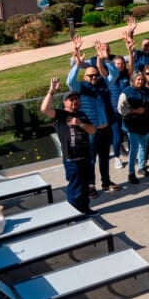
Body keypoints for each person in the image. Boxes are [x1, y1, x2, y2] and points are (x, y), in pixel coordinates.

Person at [66, 39, 120, 195]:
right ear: (85, 78)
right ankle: (90, 185)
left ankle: (106, 182)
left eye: (95, 75)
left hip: (105, 128)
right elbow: (70, 81)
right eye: (90, 76)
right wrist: (77, 63)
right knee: (91, 160)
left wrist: (105, 59)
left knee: (104, 157)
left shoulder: (103, 83)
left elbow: (114, 74)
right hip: (91, 131)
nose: (94, 78)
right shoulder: (81, 87)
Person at [40, 78, 97, 214]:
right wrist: (51, 91)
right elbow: (44, 109)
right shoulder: (60, 115)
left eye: (77, 99)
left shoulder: (81, 115)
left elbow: (93, 130)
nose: (75, 101)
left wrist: (80, 124)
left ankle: (85, 208)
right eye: (71, 99)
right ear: (65, 102)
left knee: (84, 186)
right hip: (72, 159)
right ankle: (73, 214)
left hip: (85, 156)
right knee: (75, 187)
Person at [117, 70, 149, 184]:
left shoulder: (147, 91)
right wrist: (135, 111)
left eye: (142, 79)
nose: (141, 81)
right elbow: (120, 109)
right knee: (133, 149)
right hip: (131, 125)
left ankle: (142, 167)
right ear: (133, 80)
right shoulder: (126, 92)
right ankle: (131, 173)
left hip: (145, 124)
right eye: (138, 79)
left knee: (144, 146)